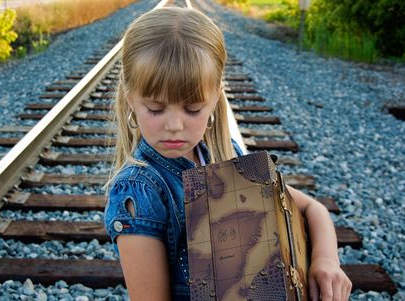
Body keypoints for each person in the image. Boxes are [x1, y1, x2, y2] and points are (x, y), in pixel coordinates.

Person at [104, 6, 352, 301]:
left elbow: (313, 208)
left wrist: (326, 260)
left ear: (215, 98)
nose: (174, 126)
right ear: (130, 98)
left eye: (192, 109)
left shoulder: (226, 157)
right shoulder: (141, 190)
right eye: (155, 109)